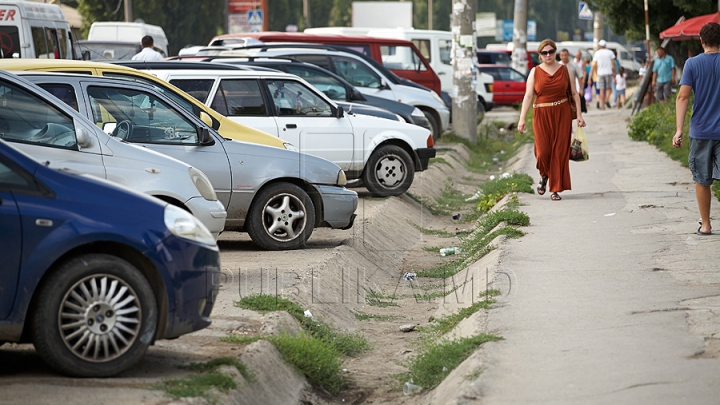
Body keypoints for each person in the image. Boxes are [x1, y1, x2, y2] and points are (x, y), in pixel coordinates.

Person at [517, 39, 586, 201]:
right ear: (540, 55)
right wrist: (522, 119)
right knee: (542, 152)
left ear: (555, 53)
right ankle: (544, 175)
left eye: (551, 52)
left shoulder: (565, 69)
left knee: (559, 152)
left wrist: (580, 116)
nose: (548, 55)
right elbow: (528, 96)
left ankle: (555, 189)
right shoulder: (535, 72)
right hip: (541, 114)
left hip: (562, 113)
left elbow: (575, 94)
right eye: (544, 52)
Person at [672, 22, 720, 235]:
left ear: (701, 41)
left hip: (701, 131)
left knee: (702, 178)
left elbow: (683, 96)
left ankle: (706, 225)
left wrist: (679, 129)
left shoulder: (692, 64)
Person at [587, 39, 615, 110]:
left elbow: (594, 65)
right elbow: (613, 64)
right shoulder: (610, 52)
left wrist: (590, 77)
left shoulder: (597, 53)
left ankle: (602, 106)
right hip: (608, 72)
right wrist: (614, 73)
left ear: (600, 45)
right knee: (608, 88)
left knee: (601, 89)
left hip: (600, 73)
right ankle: (606, 100)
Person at [560, 48, 586, 113]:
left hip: (571, 89)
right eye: (562, 55)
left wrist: (580, 89)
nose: (564, 57)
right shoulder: (557, 65)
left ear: (568, 55)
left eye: (565, 55)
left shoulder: (573, 65)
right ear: (560, 56)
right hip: (560, 89)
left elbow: (580, 76)